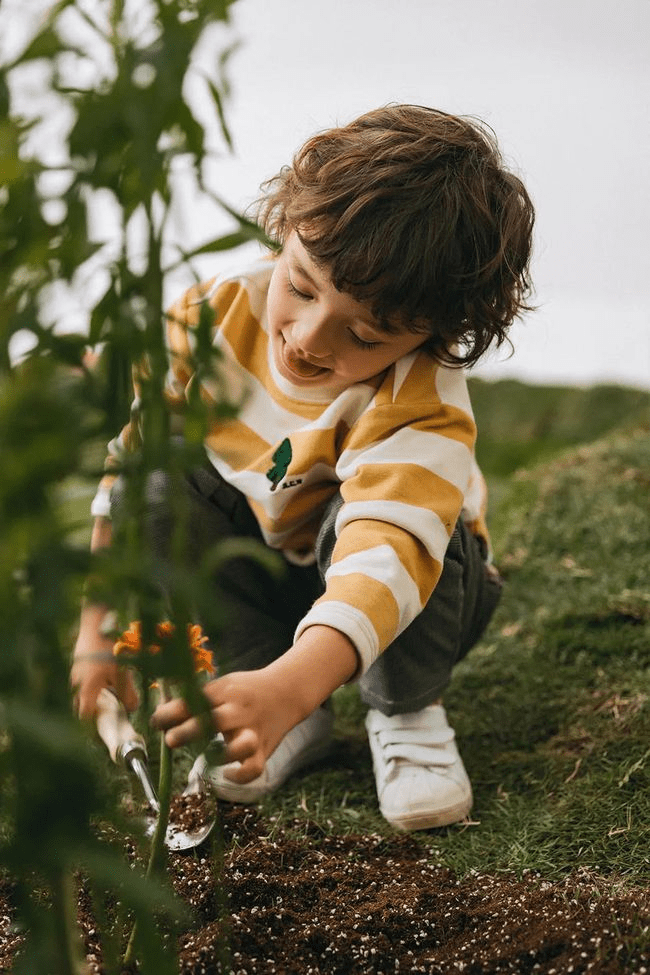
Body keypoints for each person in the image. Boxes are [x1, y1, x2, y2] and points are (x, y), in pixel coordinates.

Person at [71, 104, 534, 831]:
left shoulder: (420, 396)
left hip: (412, 599)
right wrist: (97, 627)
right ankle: (281, 701)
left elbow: (387, 550)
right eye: (302, 286)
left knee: (413, 533)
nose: (308, 339)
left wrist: (294, 679)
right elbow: (131, 464)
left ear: (434, 335)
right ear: (285, 228)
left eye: (363, 332)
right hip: (275, 574)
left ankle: (406, 711)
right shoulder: (213, 317)